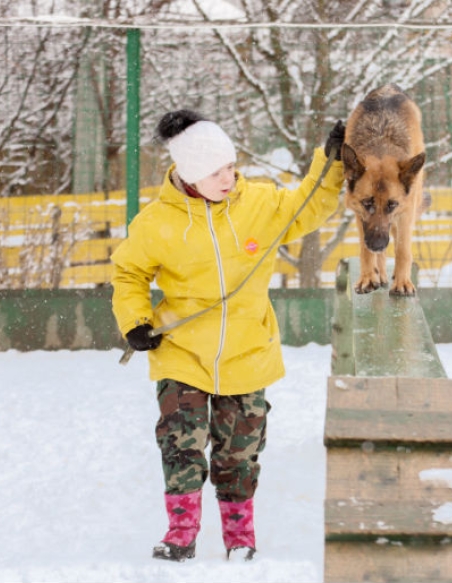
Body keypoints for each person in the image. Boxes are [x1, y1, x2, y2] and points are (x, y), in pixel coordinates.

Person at [110, 109, 345, 562]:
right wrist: (135, 320)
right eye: (215, 171)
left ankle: (239, 538)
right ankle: (181, 534)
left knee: (240, 452)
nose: (228, 178)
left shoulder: (259, 204)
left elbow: (310, 205)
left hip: (247, 353)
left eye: (231, 166)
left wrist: (330, 161)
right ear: (188, 174)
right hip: (182, 353)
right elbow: (128, 273)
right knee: (180, 442)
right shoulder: (156, 222)